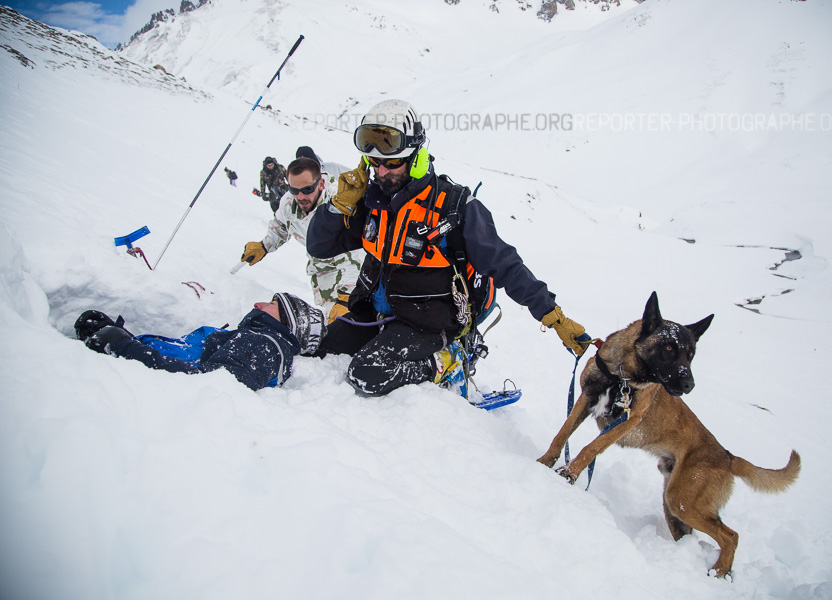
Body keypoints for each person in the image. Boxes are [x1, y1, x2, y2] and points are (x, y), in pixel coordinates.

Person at [306, 99, 590, 398]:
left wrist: (554, 317)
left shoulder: (455, 208)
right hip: (376, 313)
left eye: (391, 163)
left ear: (416, 156)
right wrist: (339, 207)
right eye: (373, 163)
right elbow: (320, 246)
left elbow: (506, 265)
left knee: (367, 373)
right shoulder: (370, 201)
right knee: (326, 351)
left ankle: (449, 360)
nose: (381, 171)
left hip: (427, 324)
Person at [74, 293, 324, 391]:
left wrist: (124, 347)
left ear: (288, 321)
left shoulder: (263, 345)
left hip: (131, 384)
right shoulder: (259, 340)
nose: (258, 304)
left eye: (270, 304)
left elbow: (214, 382)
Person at [239, 156, 365, 323]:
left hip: (352, 267)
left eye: (307, 190)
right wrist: (264, 246)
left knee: (354, 315)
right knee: (331, 319)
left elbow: (355, 253)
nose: (300, 196)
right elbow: (281, 225)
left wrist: (347, 296)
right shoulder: (288, 202)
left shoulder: (338, 202)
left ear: (320, 183)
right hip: (321, 269)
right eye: (294, 190)